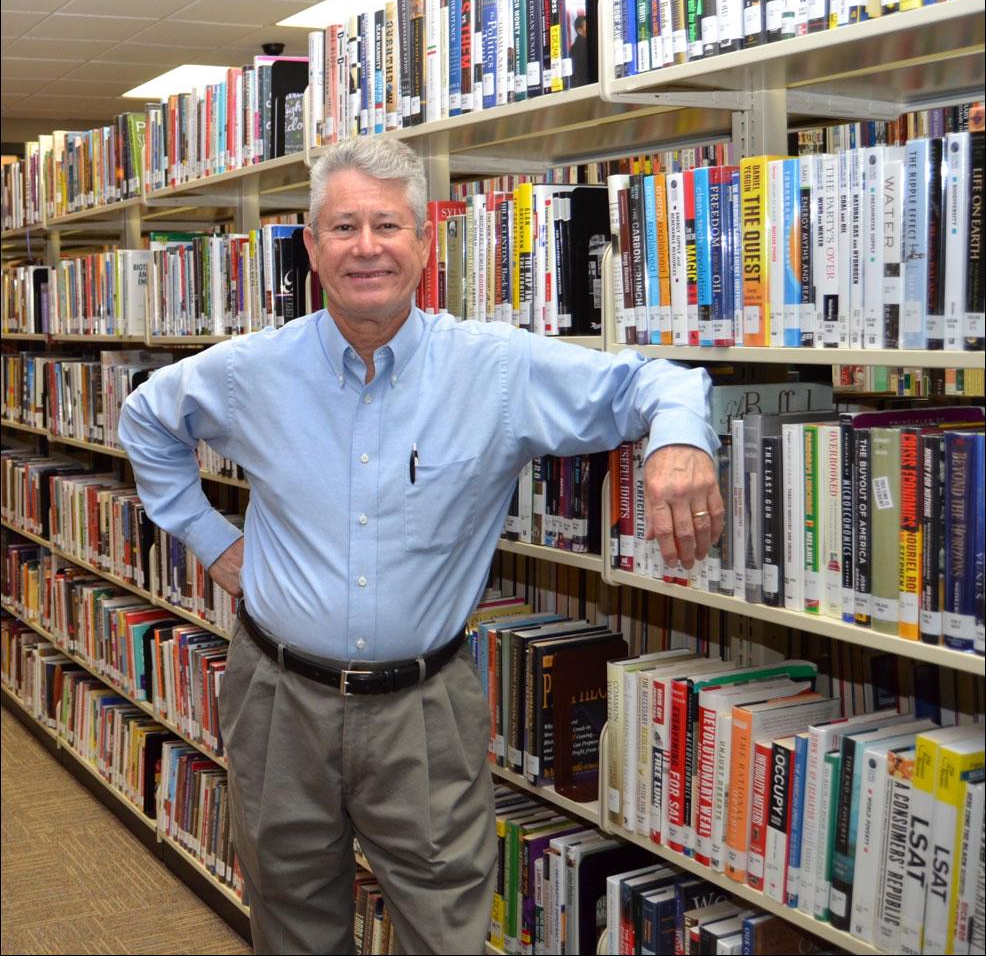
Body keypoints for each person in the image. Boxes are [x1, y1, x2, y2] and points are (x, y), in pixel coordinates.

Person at [118, 136, 723, 956]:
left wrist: (680, 441)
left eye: (387, 224)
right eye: (343, 227)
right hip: (276, 700)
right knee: (290, 917)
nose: (366, 246)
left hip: (424, 709)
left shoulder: (496, 369)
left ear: (426, 243)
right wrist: (212, 539)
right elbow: (146, 420)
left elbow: (661, 380)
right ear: (312, 247)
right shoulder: (247, 371)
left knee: (445, 929)